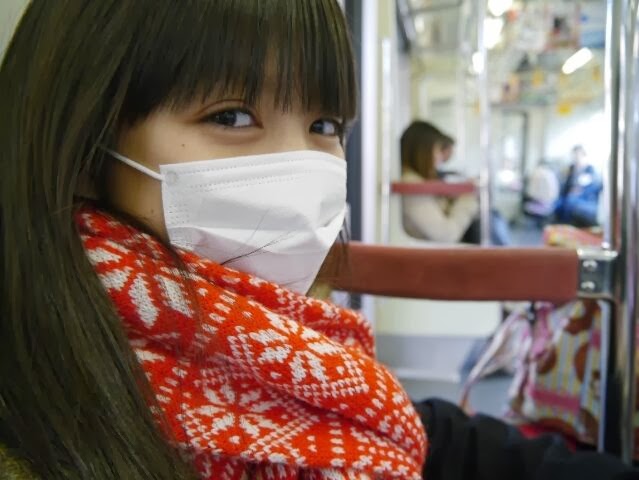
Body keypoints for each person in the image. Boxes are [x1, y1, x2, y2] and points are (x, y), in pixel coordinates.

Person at [1, 2, 637, 480]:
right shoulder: (42, 426)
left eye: (325, 124)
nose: (302, 168)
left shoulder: (309, 365)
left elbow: (426, 433)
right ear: (84, 147)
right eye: (230, 116)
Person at [400, 121, 479, 243]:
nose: (440, 157)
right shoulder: (411, 183)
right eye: (437, 150)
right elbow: (447, 235)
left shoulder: (417, 179)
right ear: (423, 151)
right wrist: (468, 196)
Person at [555, 145, 603, 227]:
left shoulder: (590, 171)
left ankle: (567, 226)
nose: (576, 159)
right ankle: (564, 227)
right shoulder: (570, 170)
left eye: (578, 156)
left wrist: (579, 192)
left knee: (571, 201)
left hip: (586, 200)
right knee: (558, 203)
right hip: (569, 197)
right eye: (574, 156)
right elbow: (565, 187)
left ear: (584, 156)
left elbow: (594, 189)